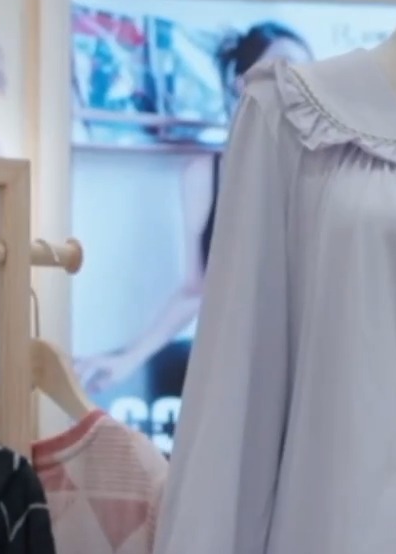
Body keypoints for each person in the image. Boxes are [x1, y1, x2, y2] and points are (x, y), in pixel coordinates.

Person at [78, 21, 312, 394]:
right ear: (244, 84)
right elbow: (196, 288)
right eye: (286, 65)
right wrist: (127, 360)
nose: (302, 79)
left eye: (309, 69)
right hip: (242, 363)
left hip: (313, 359)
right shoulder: (206, 174)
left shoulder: (326, 171)